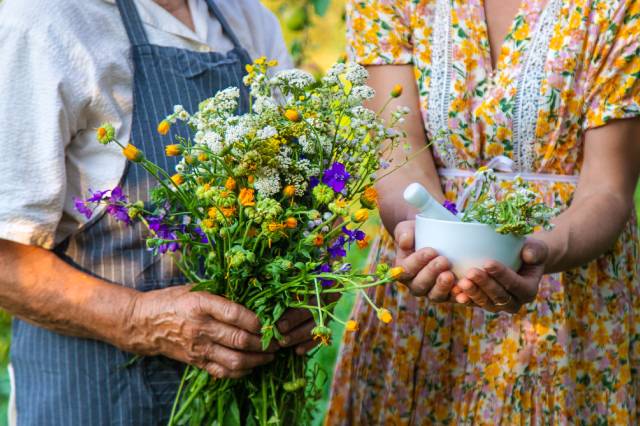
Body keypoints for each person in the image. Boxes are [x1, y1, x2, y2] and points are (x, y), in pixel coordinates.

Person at [0, 0, 317, 424]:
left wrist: (306, 288)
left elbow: (298, 202)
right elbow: (6, 257)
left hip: (252, 400)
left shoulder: (247, 20)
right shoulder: (42, 23)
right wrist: (139, 320)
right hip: (97, 400)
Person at [328, 0, 640, 424]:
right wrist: (423, 236)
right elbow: (393, 145)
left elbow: (608, 188)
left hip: (569, 288)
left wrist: (537, 250)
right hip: (425, 296)